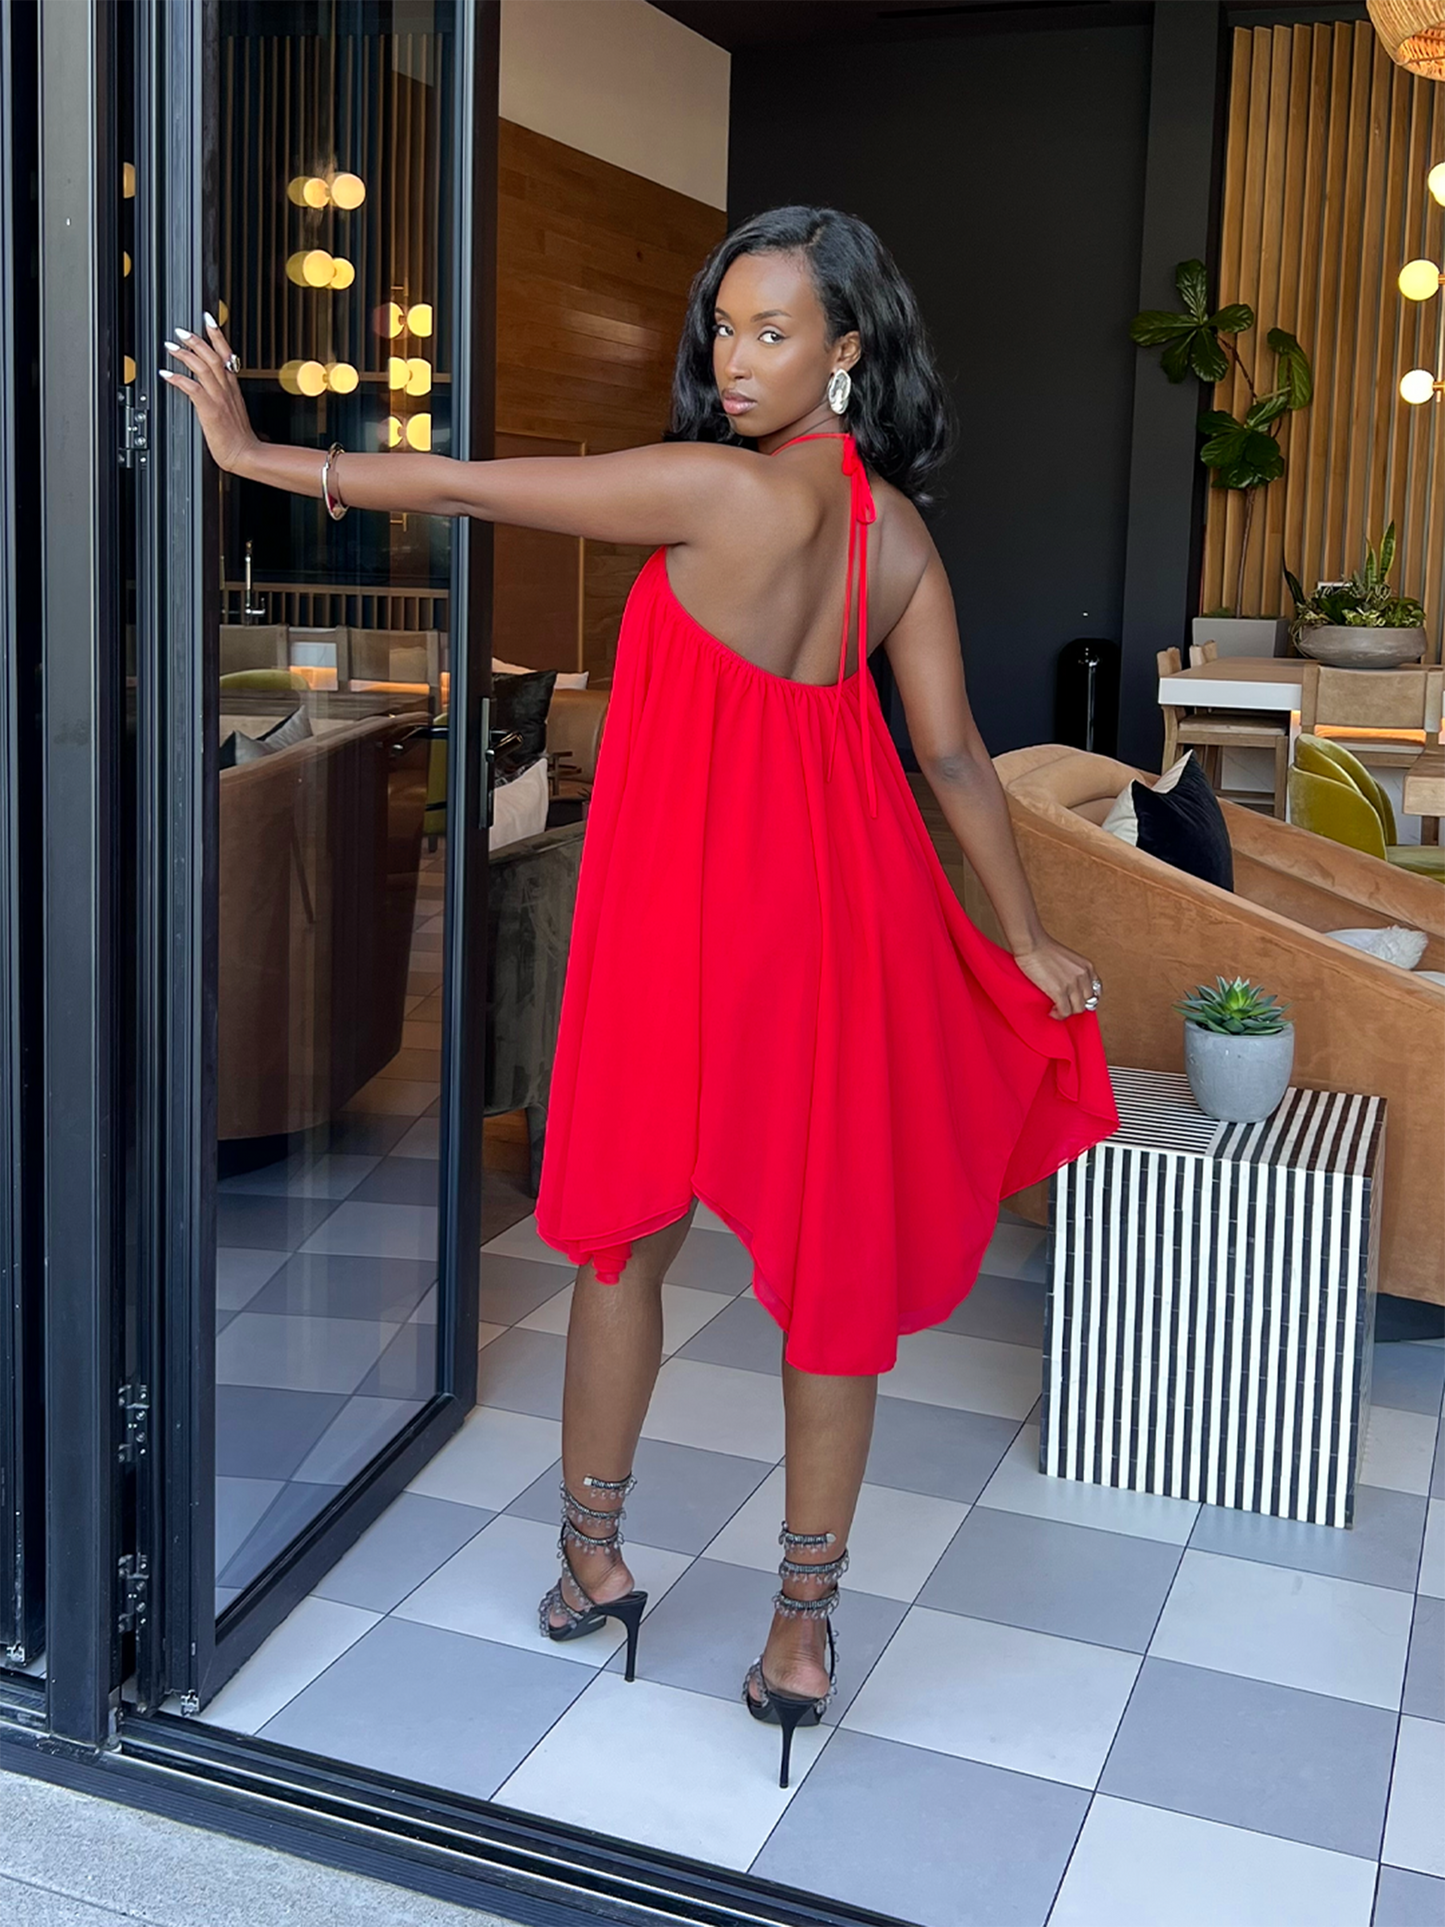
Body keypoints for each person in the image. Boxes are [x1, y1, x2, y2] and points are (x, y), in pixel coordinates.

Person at [162, 203, 1116, 1788]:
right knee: (829, 1275)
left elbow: (472, 486)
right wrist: (1019, 937)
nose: (735, 360)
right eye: (724, 327)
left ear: (845, 350)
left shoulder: (714, 490)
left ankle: (591, 1561)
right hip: (835, 931)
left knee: (623, 1241)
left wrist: (262, 456)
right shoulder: (896, 539)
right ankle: (800, 1633)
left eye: (772, 333)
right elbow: (953, 756)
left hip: (679, 928)